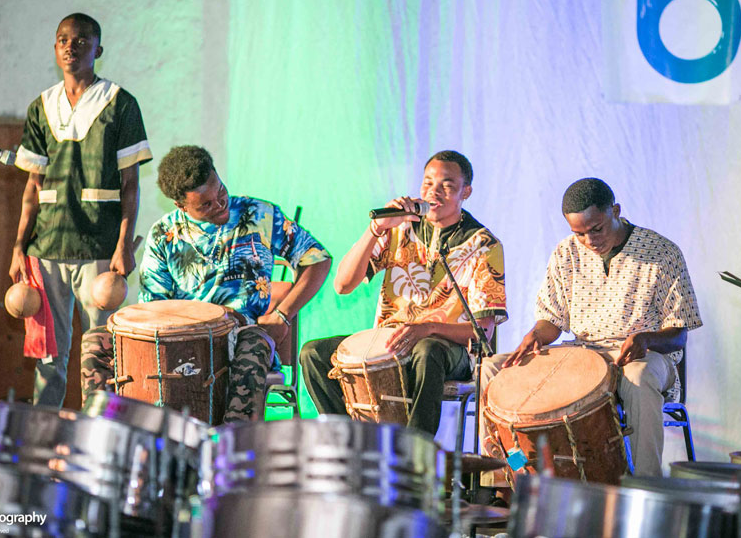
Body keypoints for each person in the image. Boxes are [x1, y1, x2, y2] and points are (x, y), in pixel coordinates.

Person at [81, 145, 331, 422]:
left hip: (240, 336)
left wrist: (282, 314)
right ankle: (100, 431)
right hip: (178, 341)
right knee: (95, 341)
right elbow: (153, 311)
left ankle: (233, 439)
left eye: (220, 192)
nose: (220, 205)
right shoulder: (164, 234)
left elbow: (318, 260)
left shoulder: (259, 214)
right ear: (181, 206)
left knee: (256, 342)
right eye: (206, 205)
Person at [481, 177, 702, 479]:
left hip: (639, 356)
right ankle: (502, 478)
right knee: (494, 368)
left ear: (615, 211)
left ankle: (646, 486)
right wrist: (536, 335)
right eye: (579, 233)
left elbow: (679, 334)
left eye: (596, 229)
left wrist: (645, 339)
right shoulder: (566, 252)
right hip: (582, 356)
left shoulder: (662, 252)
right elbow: (552, 321)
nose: (589, 240)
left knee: (638, 378)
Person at [300, 150, 506, 436]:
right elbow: (343, 285)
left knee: (427, 350)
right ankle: (350, 443)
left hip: (448, 350)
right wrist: (376, 229)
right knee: (313, 353)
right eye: (428, 183)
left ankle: (414, 452)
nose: (434, 191)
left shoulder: (483, 244)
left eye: (446, 185)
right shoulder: (399, 228)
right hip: (391, 341)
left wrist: (427, 328)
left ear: (466, 192)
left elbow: (481, 331)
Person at [9, 12, 152, 407]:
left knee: (99, 354)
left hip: (98, 246)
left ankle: (97, 432)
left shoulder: (120, 103)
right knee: (48, 357)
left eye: (81, 40)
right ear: (55, 48)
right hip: (46, 247)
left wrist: (123, 245)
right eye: (63, 40)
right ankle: (43, 432)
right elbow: (32, 185)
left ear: (98, 50)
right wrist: (19, 247)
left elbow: (131, 184)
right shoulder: (41, 106)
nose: (70, 47)